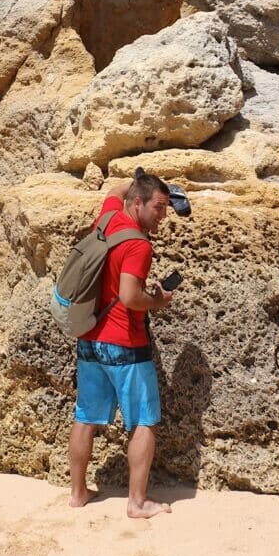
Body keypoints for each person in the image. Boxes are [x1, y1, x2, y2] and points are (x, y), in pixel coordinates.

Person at [68, 169, 174, 518]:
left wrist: (141, 180)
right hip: (125, 344)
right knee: (143, 420)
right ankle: (137, 503)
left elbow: (116, 188)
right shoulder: (139, 245)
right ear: (138, 203)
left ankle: (78, 493)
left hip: (89, 338)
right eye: (158, 207)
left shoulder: (109, 216)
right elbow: (130, 296)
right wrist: (158, 301)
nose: (163, 215)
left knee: (85, 418)